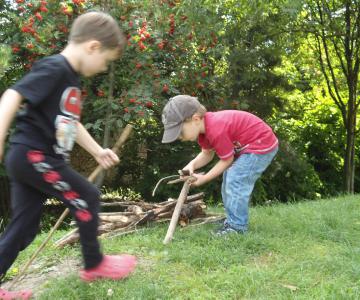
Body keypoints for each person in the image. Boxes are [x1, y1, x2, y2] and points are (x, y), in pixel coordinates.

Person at [0, 12, 136, 299]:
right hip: (33, 156)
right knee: (87, 195)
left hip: (31, 160)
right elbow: (12, 95)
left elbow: (70, 123)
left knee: (23, 229)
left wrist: (98, 151)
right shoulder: (55, 68)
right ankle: (94, 263)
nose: (102, 68)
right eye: (106, 61)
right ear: (93, 47)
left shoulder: (68, 77)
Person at [161, 95, 278, 236]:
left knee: (235, 179)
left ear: (196, 119)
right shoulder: (204, 132)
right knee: (229, 177)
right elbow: (207, 154)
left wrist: (204, 179)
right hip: (248, 147)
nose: (179, 137)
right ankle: (232, 221)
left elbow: (226, 160)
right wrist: (191, 165)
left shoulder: (216, 128)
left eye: (179, 132)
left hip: (260, 144)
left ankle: (237, 227)